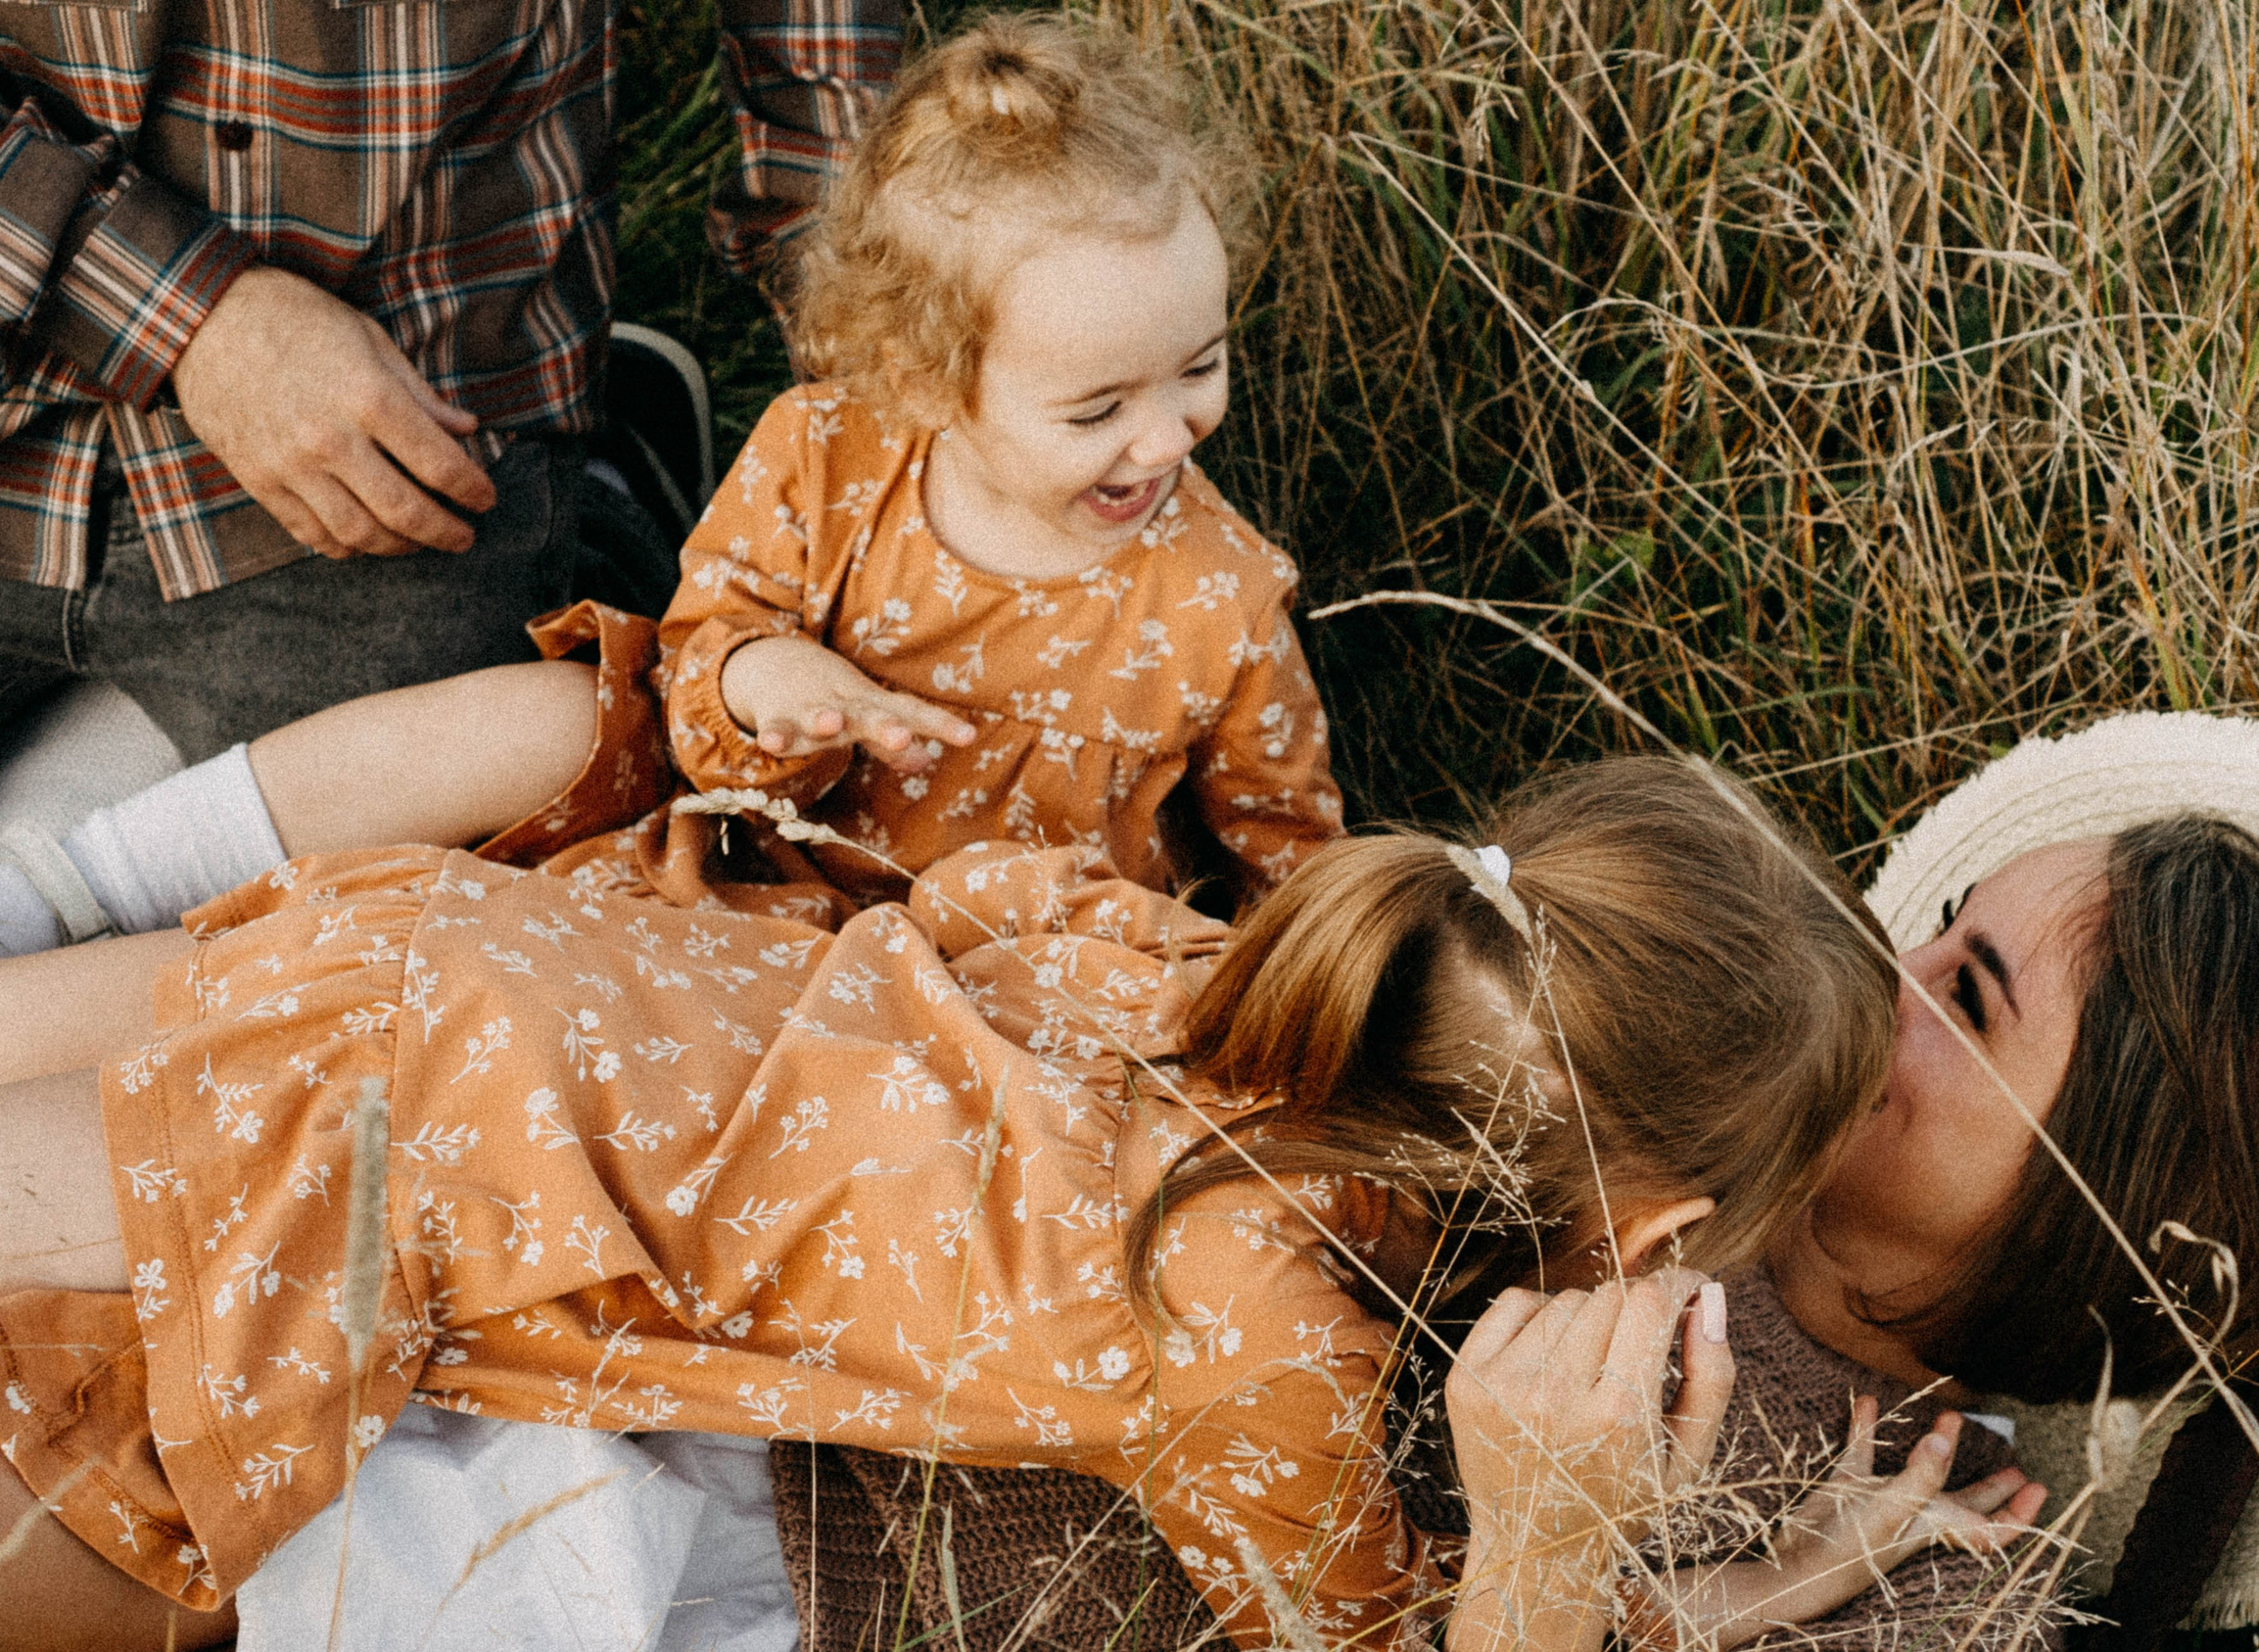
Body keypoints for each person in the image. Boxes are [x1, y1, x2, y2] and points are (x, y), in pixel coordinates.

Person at [0, 755, 2038, 1652]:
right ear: (1654, 1226)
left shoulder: (1167, 951)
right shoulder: (1256, 1342)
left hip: (446, 962)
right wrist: (1630, 1559)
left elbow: (959, 901)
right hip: (361, 1208)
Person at [756, 713, 2259, 1652]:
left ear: (2111, 1206)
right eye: (1941, 918)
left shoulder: (1941, 1605)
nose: (1879, 961)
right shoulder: (1652, 1063)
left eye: (1966, 994)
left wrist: (1545, 1560)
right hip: (771, 1325)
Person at [0, 15, 1341, 958]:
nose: (1167, 440)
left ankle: (607, 494)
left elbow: (1288, 852)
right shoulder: (830, 459)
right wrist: (766, 683)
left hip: (1018, 976)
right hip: (770, 906)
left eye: (1200, 371)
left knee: (402, 898)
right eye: (1099, 405)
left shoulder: (1219, 597)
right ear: (926, 380)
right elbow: (714, 667)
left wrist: (1300, 981)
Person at [0, 0, 893, 764]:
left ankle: (610, 530)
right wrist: (192, 318)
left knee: (398, 930)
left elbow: (823, 56)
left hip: (410, 432)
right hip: (18, 405)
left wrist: (894, 360)